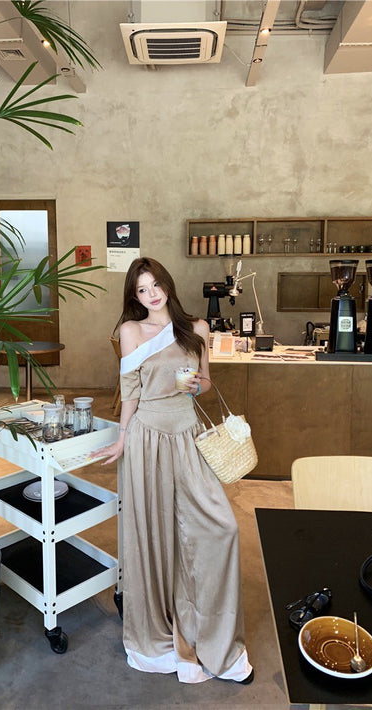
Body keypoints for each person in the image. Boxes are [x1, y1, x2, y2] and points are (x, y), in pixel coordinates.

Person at [92, 257, 253, 685]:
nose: (151, 295)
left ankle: (213, 636)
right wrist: (122, 439)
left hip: (188, 434)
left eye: (156, 285)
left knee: (221, 527)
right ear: (134, 296)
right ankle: (157, 633)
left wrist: (199, 385)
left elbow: (206, 381)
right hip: (146, 438)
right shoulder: (131, 331)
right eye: (142, 290)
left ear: (167, 284)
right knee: (153, 535)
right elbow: (130, 392)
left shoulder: (196, 328)